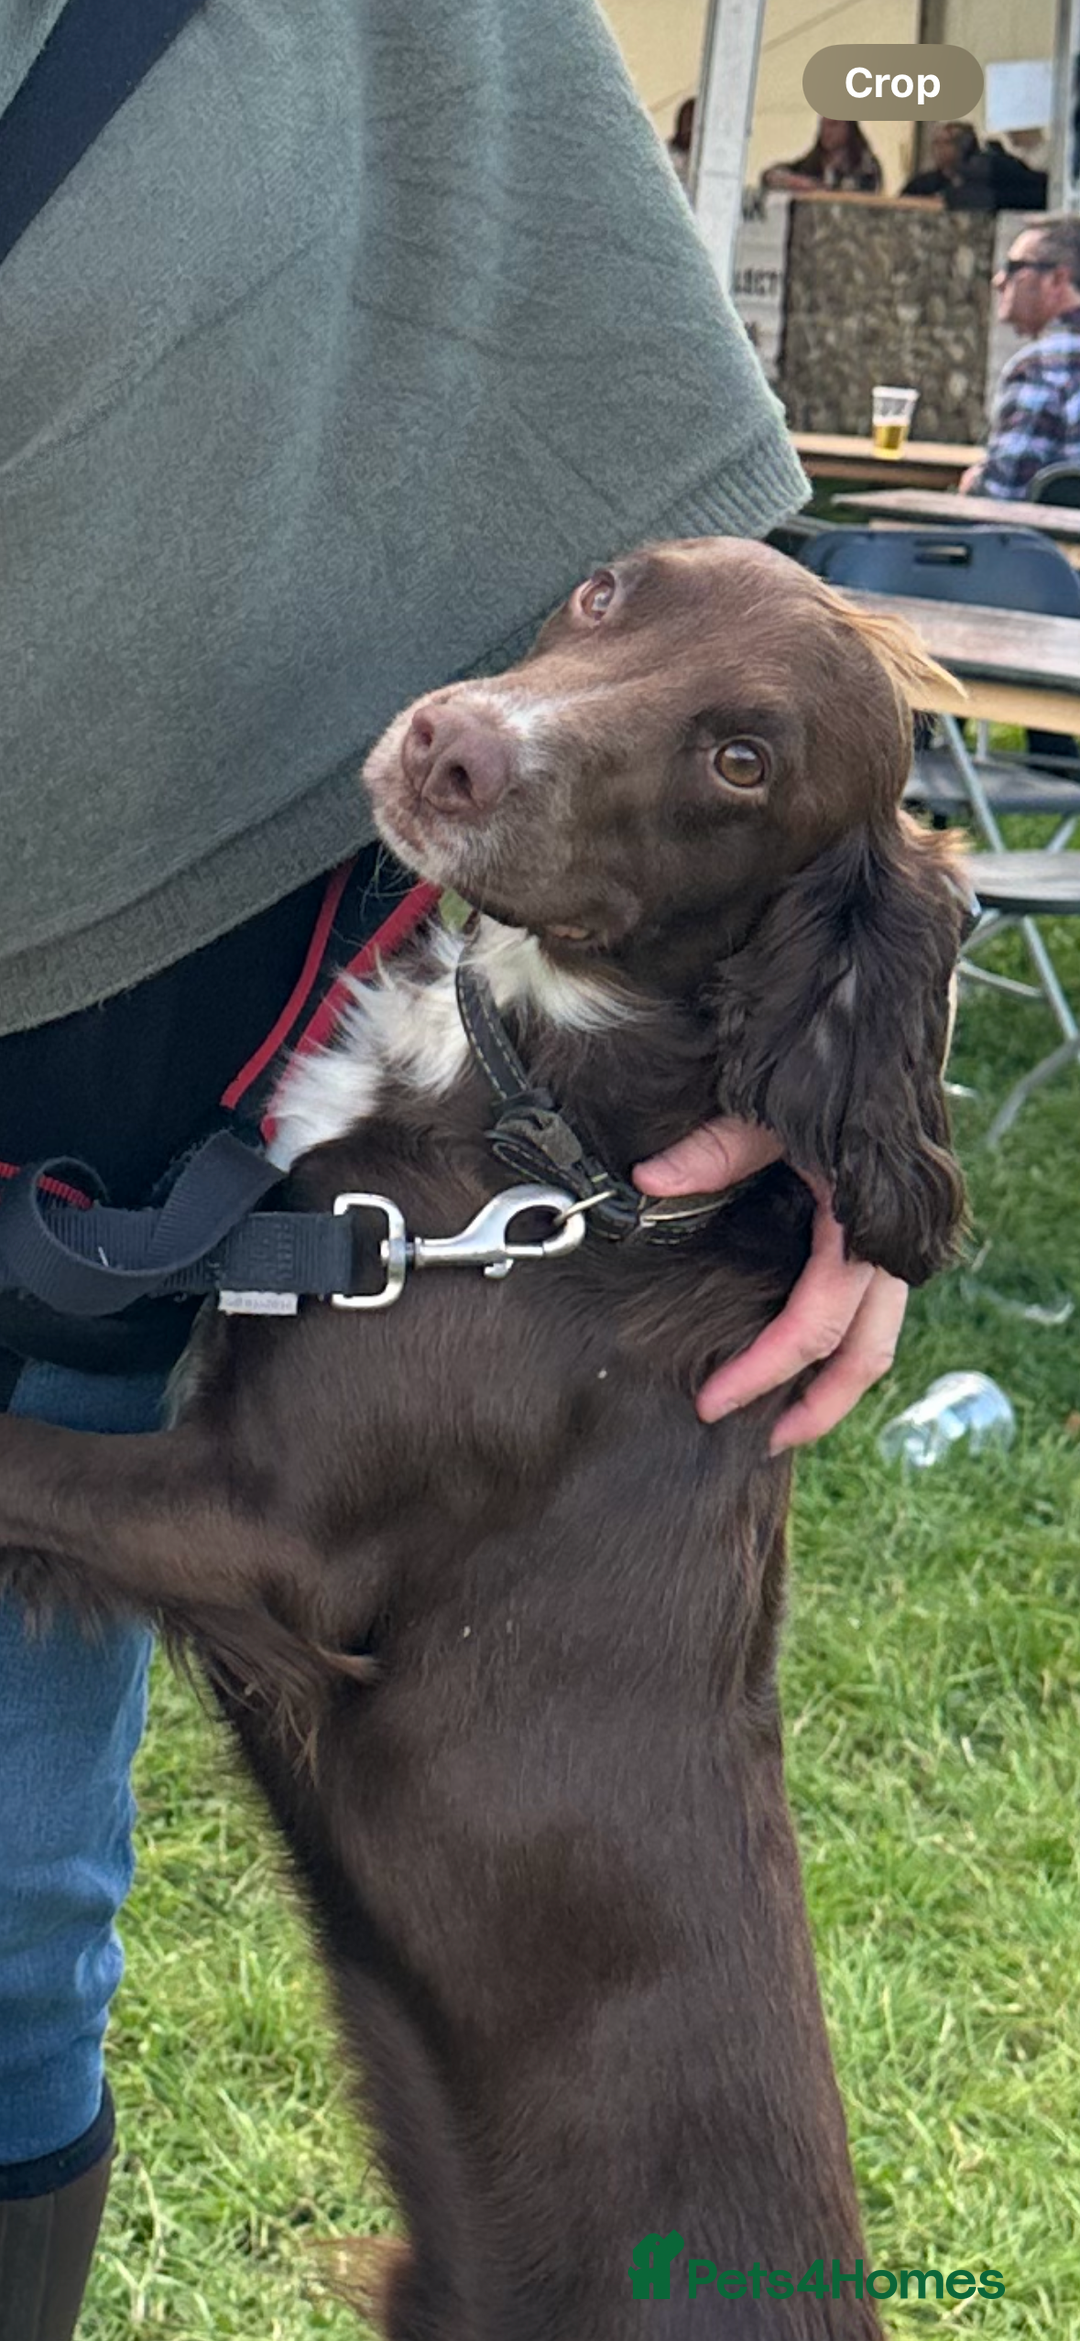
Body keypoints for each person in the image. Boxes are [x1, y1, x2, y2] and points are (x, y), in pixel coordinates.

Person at [0, 5, 911, 2335]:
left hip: (101, 1090)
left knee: (0, 1910)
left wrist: (840, 1150)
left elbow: (555, 398)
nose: (524, 690)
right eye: (608, 610)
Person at [959, 213, 1080, 498]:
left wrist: (973, 483)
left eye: (1014, 267)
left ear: (1057, 279)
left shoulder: (1044, 367)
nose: (998, 280)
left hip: (1052, 541)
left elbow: (1002, 493)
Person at [901, 121, 1047, 214]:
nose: (936, 149)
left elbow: (1029, 190)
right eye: (936, 143)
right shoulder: (925, 184)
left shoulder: (993, 167)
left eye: (944, 142)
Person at [762, 117, 882, 197]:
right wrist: (785, 180)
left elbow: (851, 197)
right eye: (823, 125)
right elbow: (774, 174)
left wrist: (812, 188)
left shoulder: (866, 166)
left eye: (833, 125)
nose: (826, 131)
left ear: (848, 127)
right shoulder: (815, 162)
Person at [901, 121, 995, 211]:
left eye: (947, 142)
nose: (939, 149)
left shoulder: (981, 184)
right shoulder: (921, 184)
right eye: (936, 143)